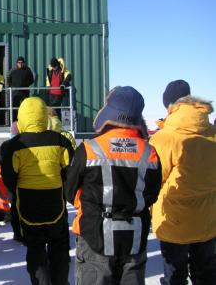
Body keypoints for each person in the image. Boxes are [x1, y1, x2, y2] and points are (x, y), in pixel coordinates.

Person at [65, 86, 162, 285]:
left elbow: (69, 191)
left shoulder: (89, 149)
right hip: (134, 239)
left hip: (94, 236)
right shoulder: (150, 152)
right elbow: (152, 194)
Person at [0, 97, 74, 285]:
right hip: (55, 202)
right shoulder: (61, 141)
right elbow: (69, 170)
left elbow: (9, 177)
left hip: (27, 203)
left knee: (35, 248)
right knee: (59, 247)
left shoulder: (13, 145)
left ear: (22, 117)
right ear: (43, 115)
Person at [150, 88, 216, 284]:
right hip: (208, 221)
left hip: (174, 222)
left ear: (172, 109)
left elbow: (154, 180)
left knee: (175, 275)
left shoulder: (164, 138)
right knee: (206, 273)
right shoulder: (212, 135)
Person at [6, 56, 34, 121]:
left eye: (22, 62)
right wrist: (11, 86)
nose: (20, 64)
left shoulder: (27, 70)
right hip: (15, 92)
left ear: (24, 63)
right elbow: (8, 78)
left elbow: (31, 79)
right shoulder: (13, 70)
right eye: (19, 62)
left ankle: (25, 120)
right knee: (15, 108)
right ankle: (14, 122)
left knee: (26, 107)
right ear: (17, 63)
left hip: (24, 92)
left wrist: (26, 85)